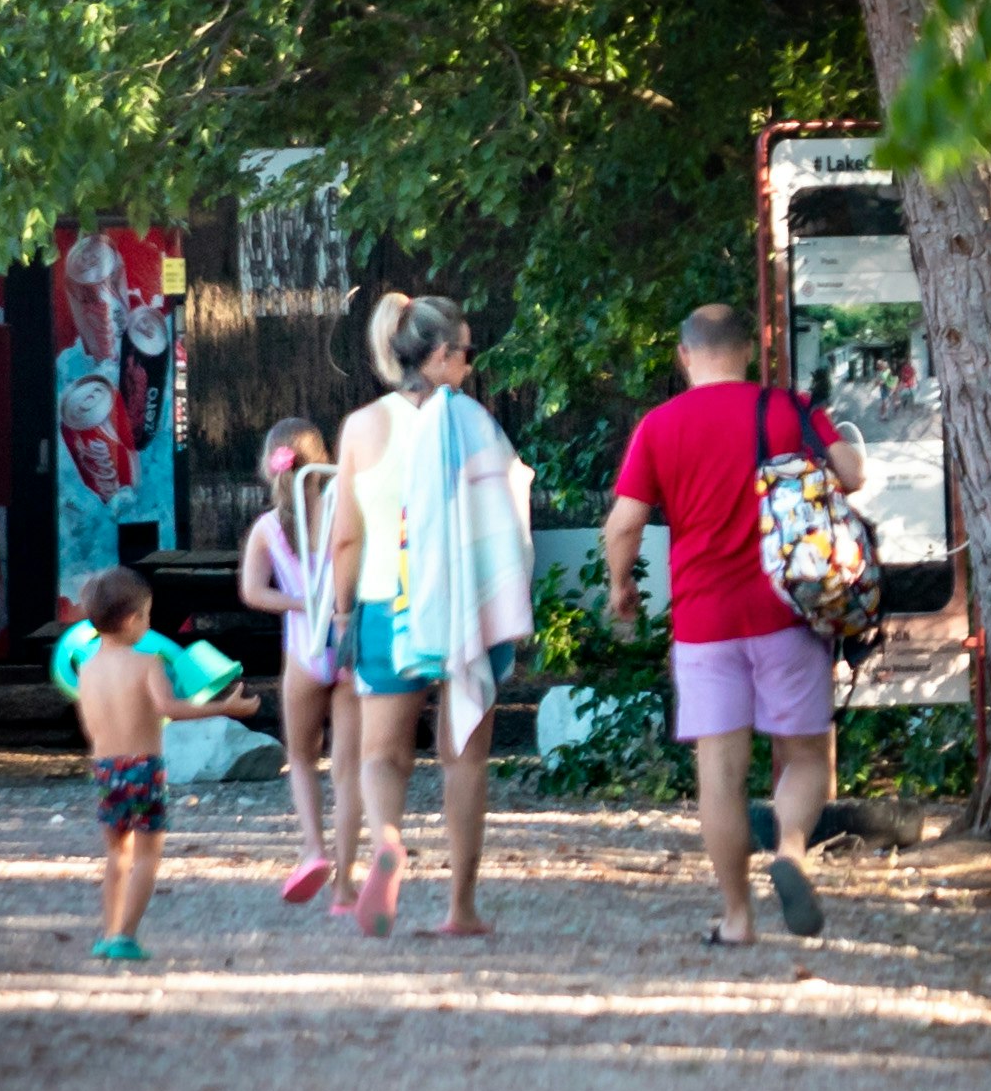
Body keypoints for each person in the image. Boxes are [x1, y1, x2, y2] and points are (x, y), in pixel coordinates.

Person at [597, 301, 869, 946]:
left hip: (704, 623)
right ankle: (792, 852)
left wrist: (620, 587)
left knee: (719, 776)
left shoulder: (660, 426)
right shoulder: (790, 411)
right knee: (806, 758)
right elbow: (852, 476)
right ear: (751, 349)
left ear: (684, 356)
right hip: (788, 614)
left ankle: (737, 919)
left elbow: (625, 523)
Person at [317, 292, 534, 940]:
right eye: (465, 351)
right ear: (439, 354)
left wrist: (338, 610)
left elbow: (345, 536)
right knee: (463, 756)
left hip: (389, 603)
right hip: (467, 606)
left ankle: (386, 841)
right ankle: (460, 907)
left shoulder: (361, 427)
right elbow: (506, 521)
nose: (469, 364)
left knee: (380, 754)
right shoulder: (474, 423)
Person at [60, 566, 254, 961]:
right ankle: (125, 938)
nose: (149, 625)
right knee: (147, 855)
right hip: (143, 769)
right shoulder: (148, 663)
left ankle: (108, 931)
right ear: (134, 620)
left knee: (117, 855)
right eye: (147, 617)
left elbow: (91, 723)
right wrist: (225, 706)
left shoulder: (89, 669)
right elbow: (170, 708)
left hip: (105, 770)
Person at [230, 416, 343, 902]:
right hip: (350, 642)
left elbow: (252, 592)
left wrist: (302, 603)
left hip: (303, 648)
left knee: (300, 756)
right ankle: (355, 852)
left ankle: (314, 848)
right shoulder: (345, 511)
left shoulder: (268, 528)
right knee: (352, 758)